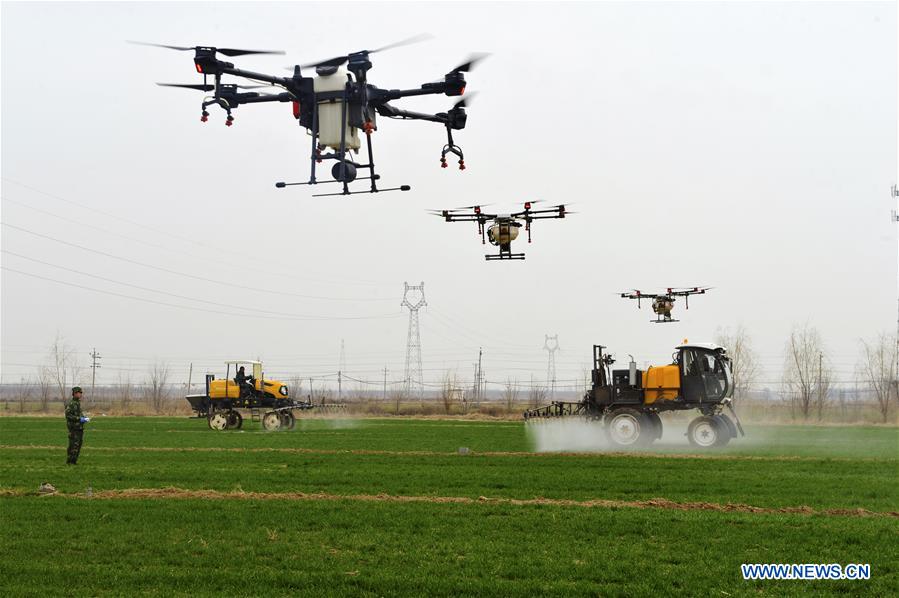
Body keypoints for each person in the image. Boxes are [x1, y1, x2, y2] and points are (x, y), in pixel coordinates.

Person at [64, 386, 89, 465]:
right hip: (73, 428)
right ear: (74, 393)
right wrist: (79, 419)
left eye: (81, 393)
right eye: (79, 393)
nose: (80, 394)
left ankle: (74, 461)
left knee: (78, 445)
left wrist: (84, 418)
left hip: (79, 428)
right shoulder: (71, 404)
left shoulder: (78, 403)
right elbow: (68, 415)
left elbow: (79, 413)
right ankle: (70, 461)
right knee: (73, 445)